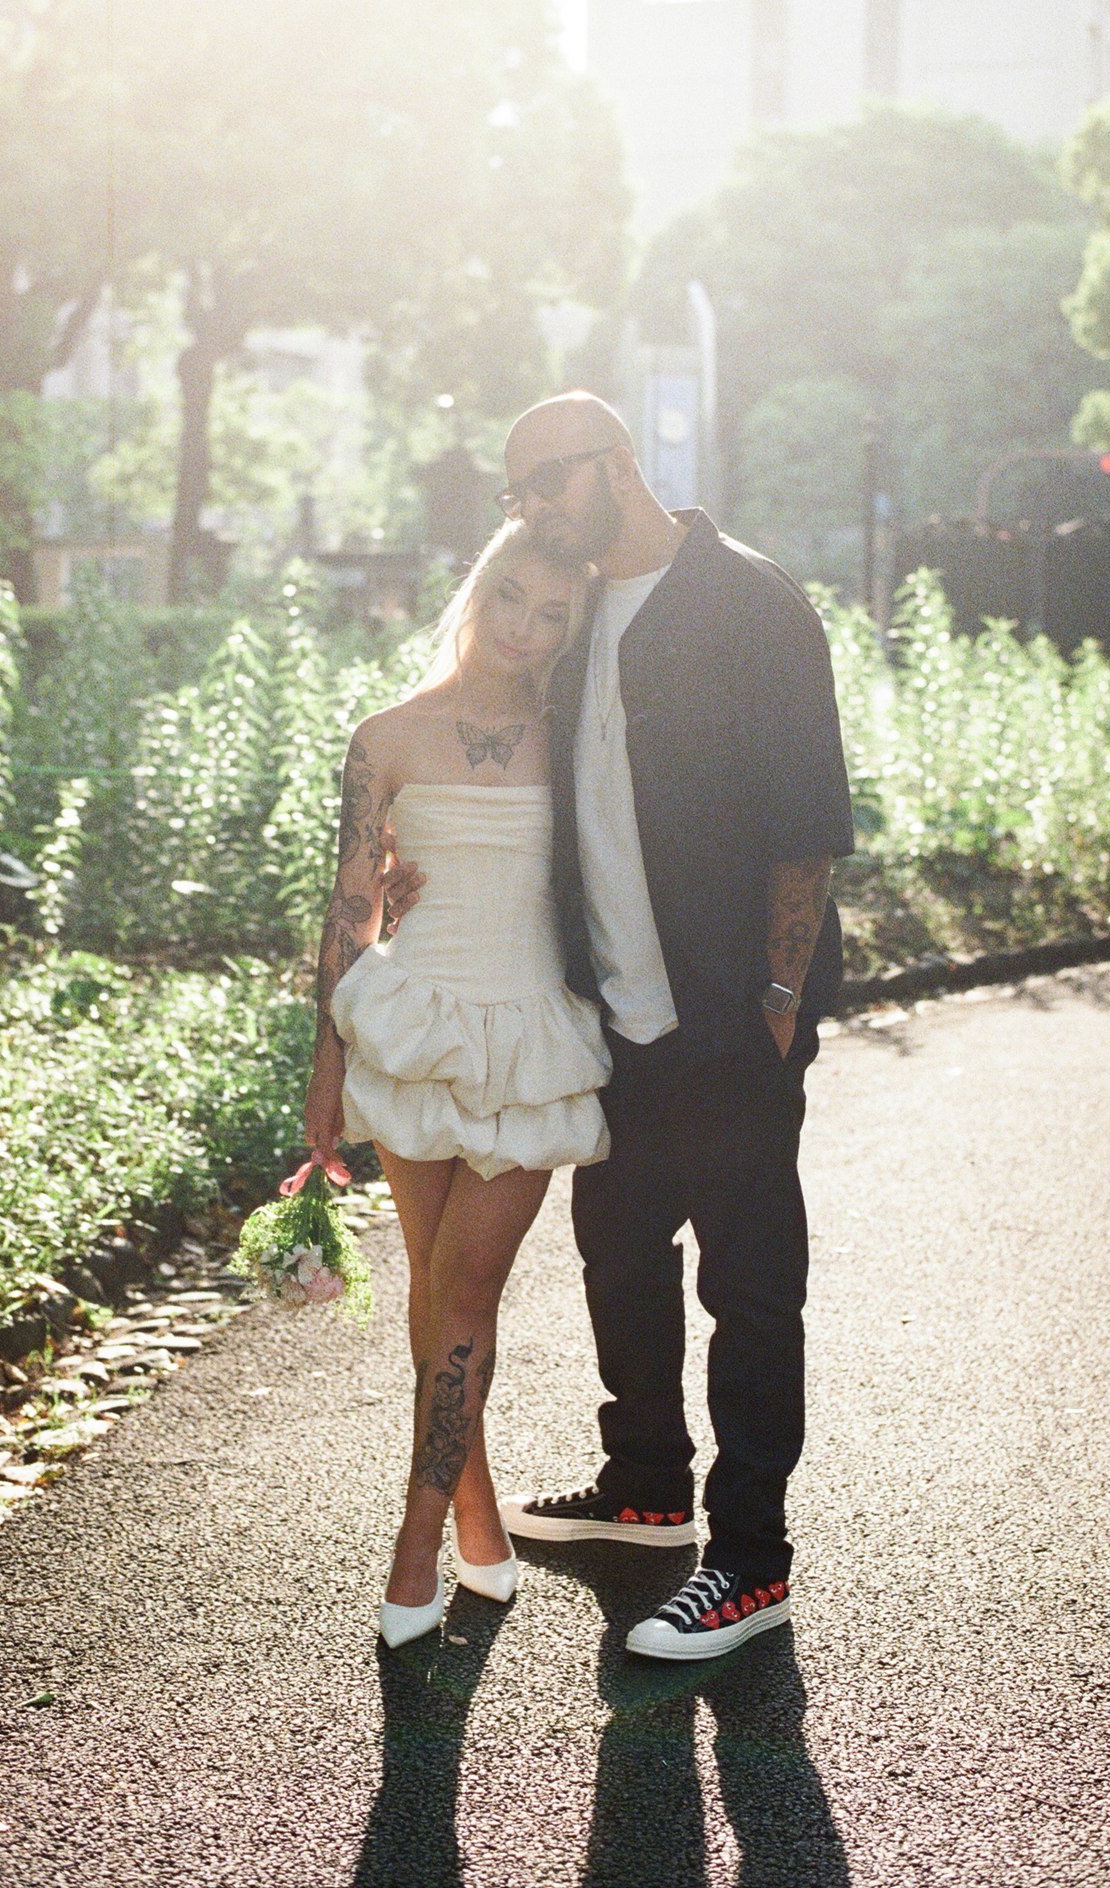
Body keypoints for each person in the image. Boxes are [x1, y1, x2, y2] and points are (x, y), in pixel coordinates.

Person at [387, 391, 855, 1662]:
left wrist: (772, 1001)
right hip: (615, 1021)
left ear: (614, 461)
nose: (530, 509)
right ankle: (646, 1486)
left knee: (749, 1287)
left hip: (730, 1018)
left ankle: (748, 1560)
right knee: (618, 1245)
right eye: (514, 493)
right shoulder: (578, 615)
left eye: (545, 478)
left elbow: (807, 817)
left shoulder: (751, 601)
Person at [302, 520, 610, 1649]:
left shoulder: (580, 740)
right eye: (512, 599)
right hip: (410, 1028)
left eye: (552, 615)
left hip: (529, 1040)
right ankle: (478, 1517)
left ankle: (415, 1537)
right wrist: (324, 1067)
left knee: (466, 1294)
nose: (525, 630)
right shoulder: (383, 736)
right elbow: (348, 912)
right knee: (434, 1295)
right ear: (477, 591)